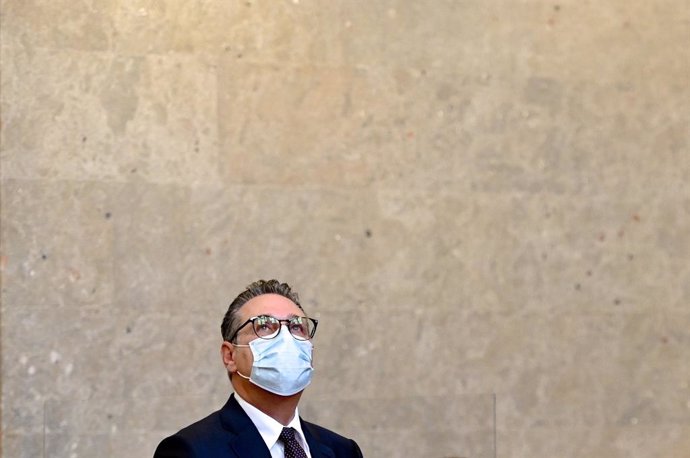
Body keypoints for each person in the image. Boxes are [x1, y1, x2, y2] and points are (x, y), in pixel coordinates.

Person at [154, 279, 363, 457]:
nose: (286, 338)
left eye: (296, 326)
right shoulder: (190, 450)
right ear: (230, 355)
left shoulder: (343, 450)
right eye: (264, 325)